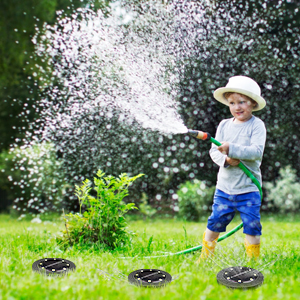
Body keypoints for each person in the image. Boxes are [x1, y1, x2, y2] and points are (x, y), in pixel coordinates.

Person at [198, 75, 267, 262]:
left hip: (248, 189)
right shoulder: (224, 125)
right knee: (214, 222)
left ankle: (253, 261)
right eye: (232, 103)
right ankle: (206, 257)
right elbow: (215, 151)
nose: (237, 107)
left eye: (242, 102)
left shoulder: (257, 126)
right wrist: (226, 160)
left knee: (252, 225)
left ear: (252, 103)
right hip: (225, 189)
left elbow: (256, 151)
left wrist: (233, 149)